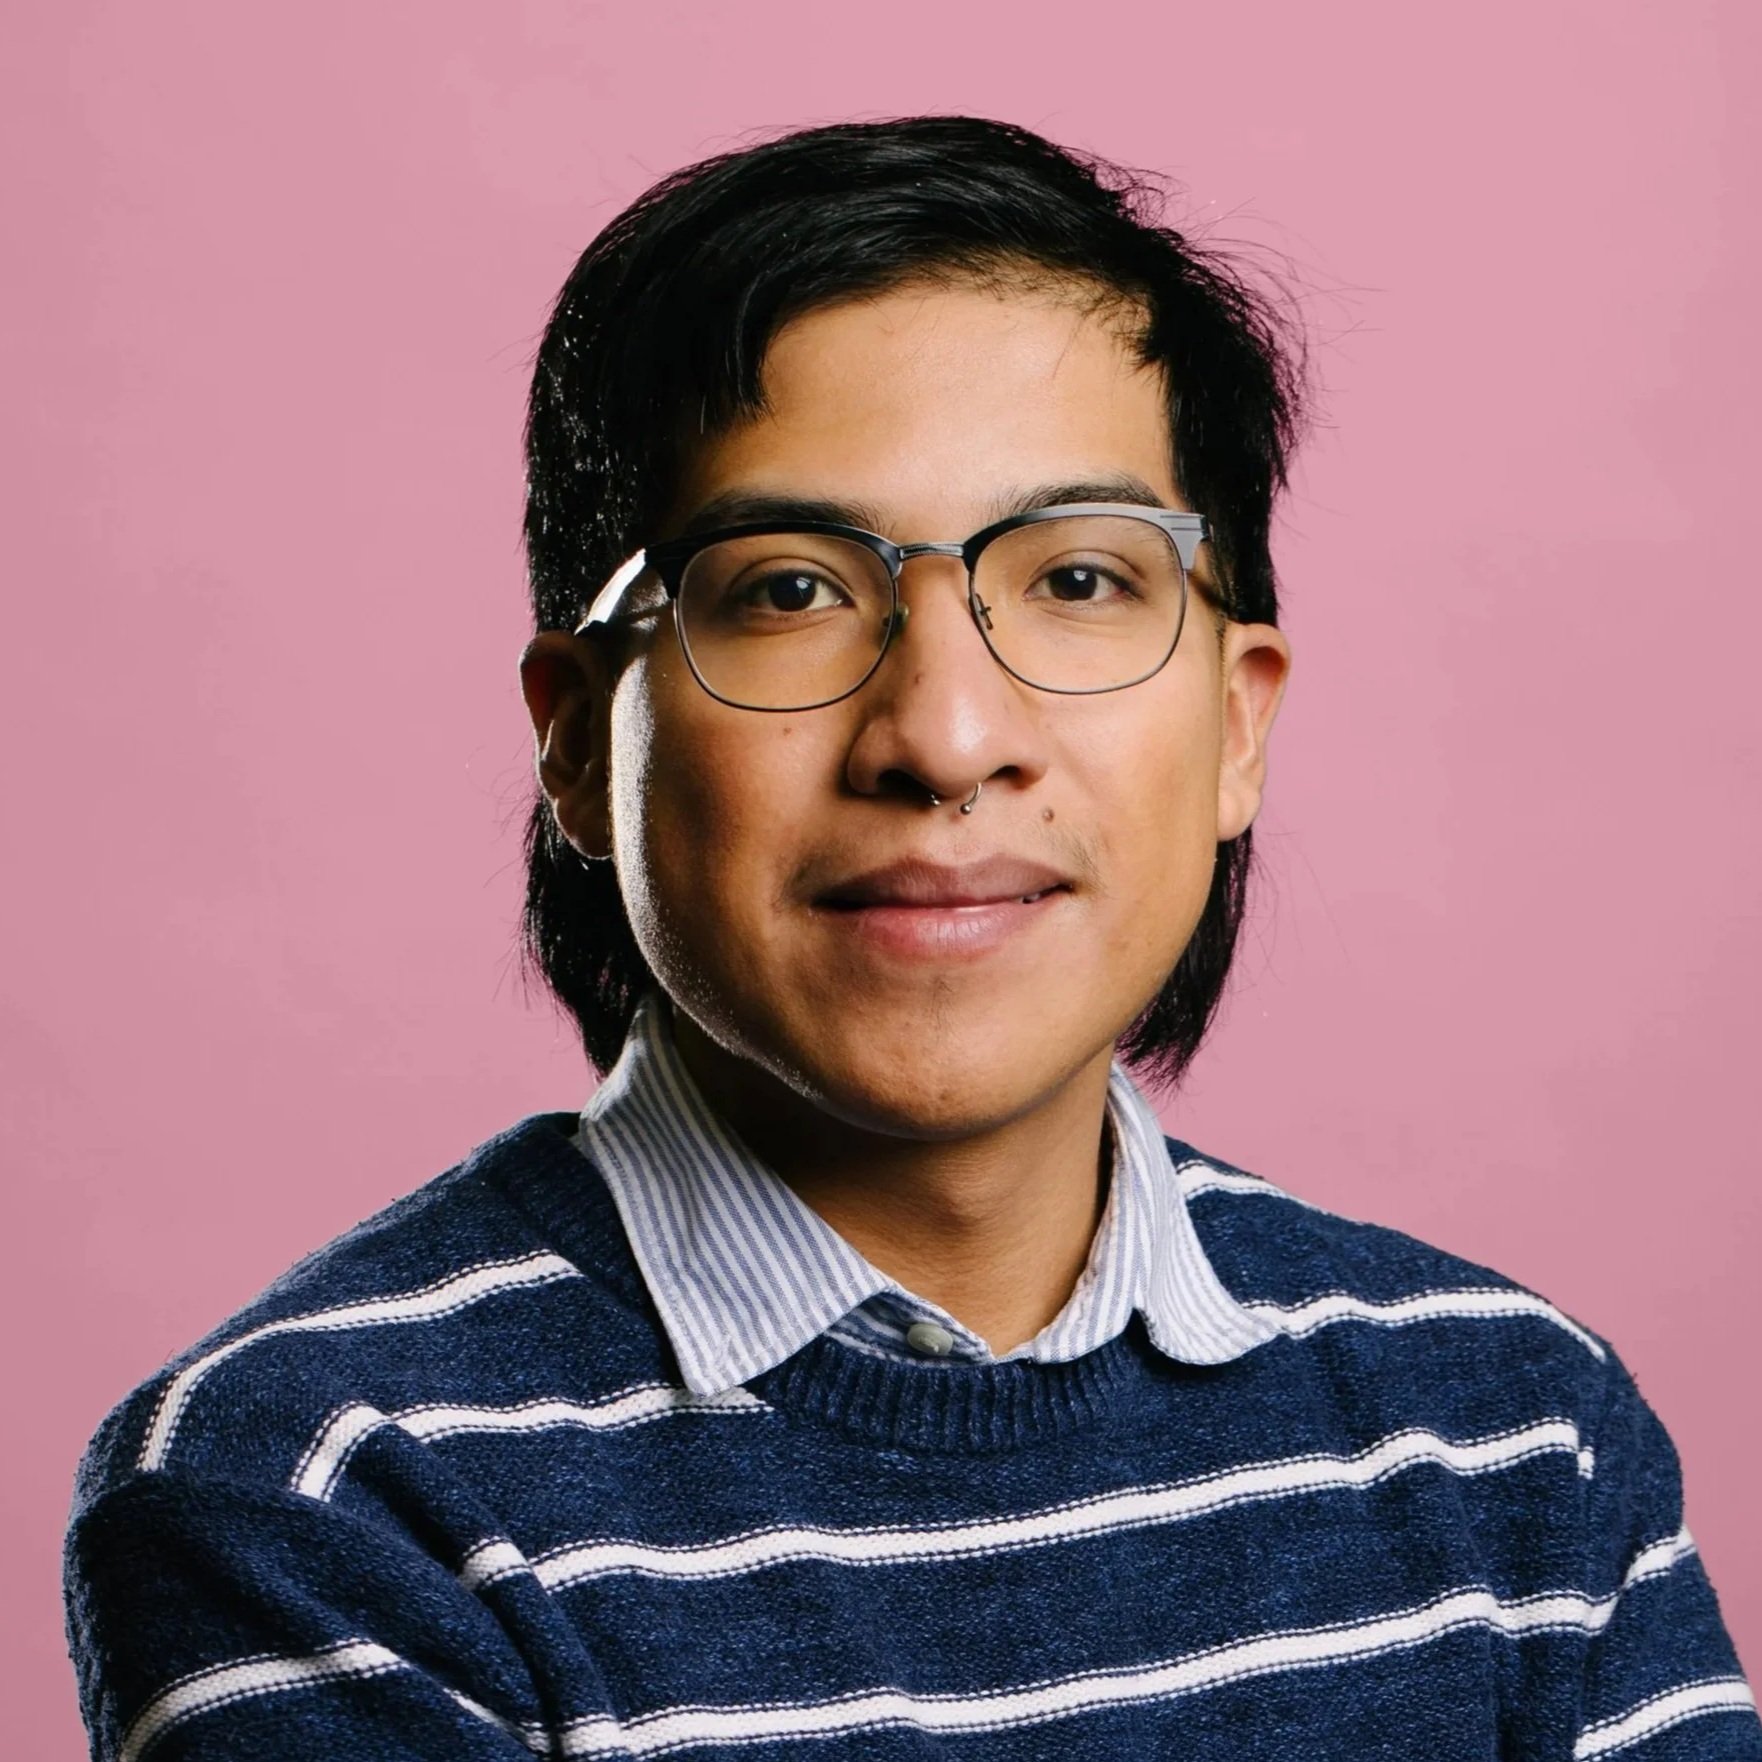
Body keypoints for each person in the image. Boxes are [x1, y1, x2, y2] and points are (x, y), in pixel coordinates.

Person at [64, 115, 1758, 1761]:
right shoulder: (313, 1490)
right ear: (580, 737)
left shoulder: (1517, 1428)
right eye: (790, 586)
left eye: (1079, 580)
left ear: (1239, 725)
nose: (945, 734)